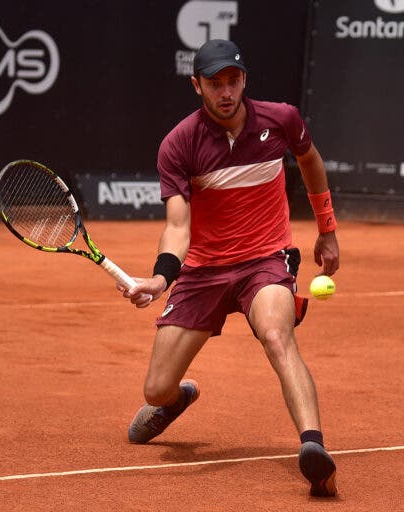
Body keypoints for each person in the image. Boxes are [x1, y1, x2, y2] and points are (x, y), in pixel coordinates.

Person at [120, 39, 340, 497]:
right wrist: (162, 278)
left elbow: (310, 161)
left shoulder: (281, 120)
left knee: (279, 337)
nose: (225, 92)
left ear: (245, 80)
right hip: (202, 271)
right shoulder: (179, 144)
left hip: (265, 259)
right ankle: (177, 399)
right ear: (196, 85)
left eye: (233, 81)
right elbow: (178, 227)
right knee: (156, 390)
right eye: (214, 83)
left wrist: (327, 228)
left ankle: (314, 448)